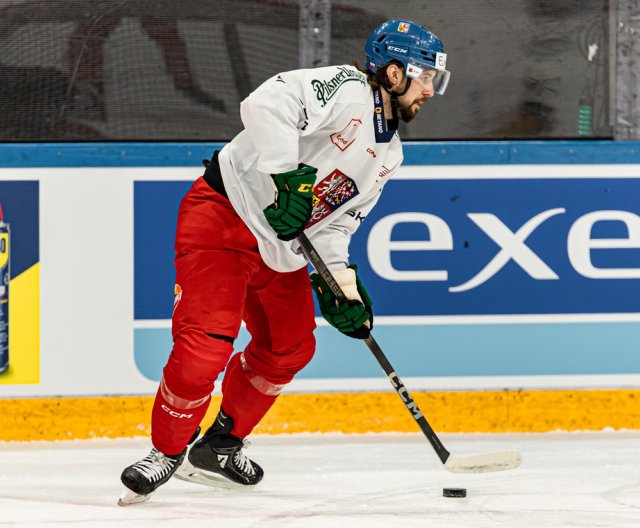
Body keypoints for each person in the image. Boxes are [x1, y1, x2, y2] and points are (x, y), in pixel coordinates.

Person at [119, 18, 450, 505]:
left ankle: (220, 444)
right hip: (224, 215)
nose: (431, 91)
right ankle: (166, 450)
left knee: (291, 347)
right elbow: (265, 103)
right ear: (395, 72)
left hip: (282, 243)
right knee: (205, 346)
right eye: (427, 77)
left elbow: (336, 224)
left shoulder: (389, 153)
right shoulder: (344, 87)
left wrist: (342, 287)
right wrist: (286, 176)